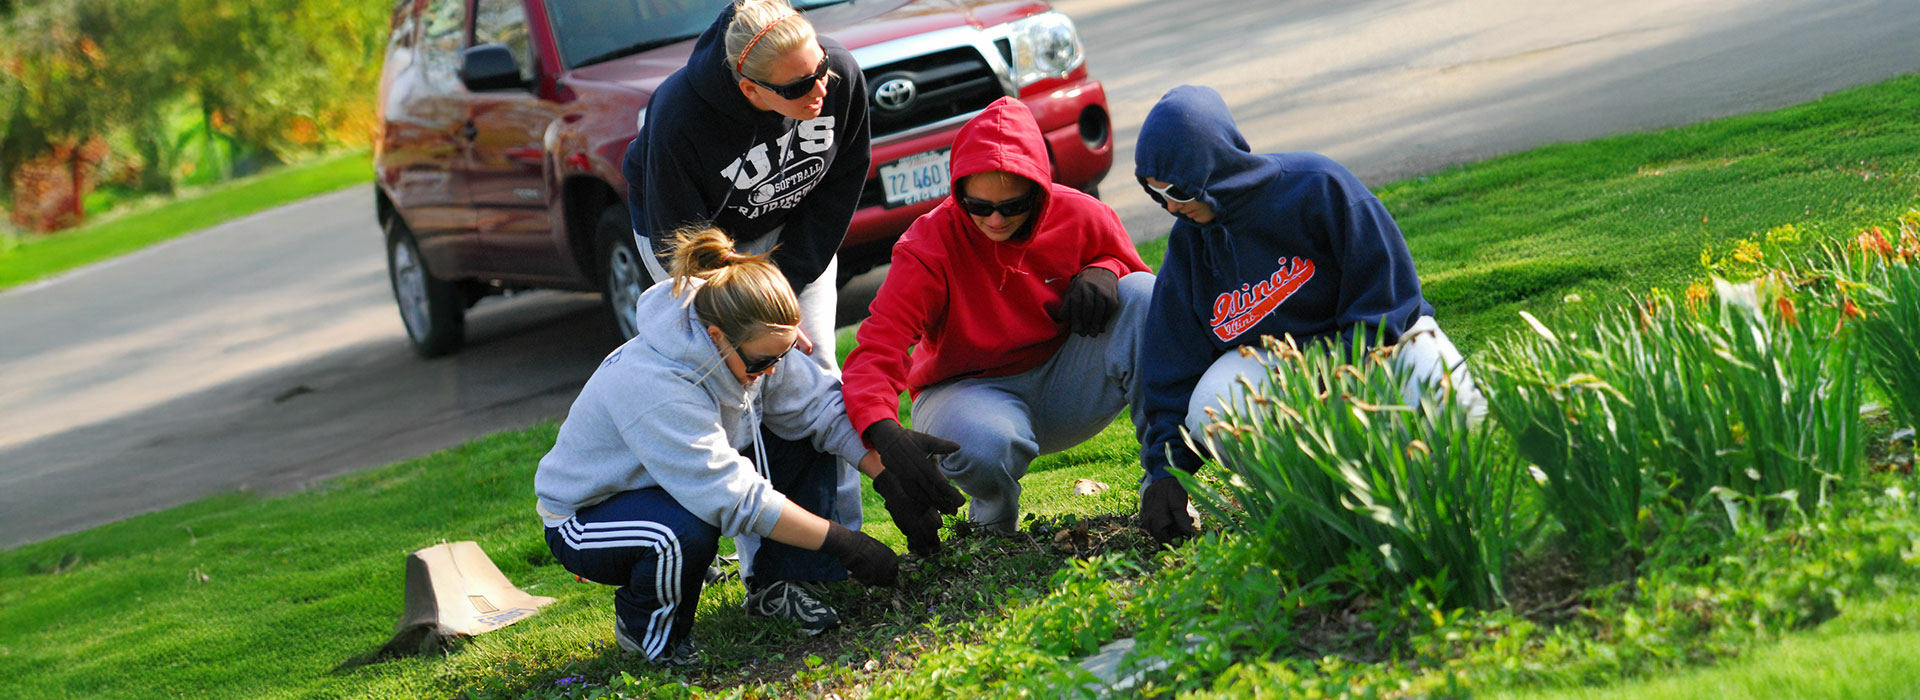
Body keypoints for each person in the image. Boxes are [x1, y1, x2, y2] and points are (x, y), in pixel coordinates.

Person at [1131, 85, 1483, 547]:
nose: (1172, 206)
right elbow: (1172, 366)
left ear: (1214, 164)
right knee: (1214, 404)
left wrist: (1342, 388)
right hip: (1284, 364)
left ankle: (1430, 496)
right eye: (1156, 195)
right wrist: (1166, 471)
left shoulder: (1317, 185)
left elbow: (1388, 295)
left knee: (1467, 429)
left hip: (1384, 340)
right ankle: (1314, 511)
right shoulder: (1190, 246)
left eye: (1177, 189)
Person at [534, 226, 902, 665]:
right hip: (587, 516)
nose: (772, 371)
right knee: (679, 533)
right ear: (715, 336)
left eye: (781, 357)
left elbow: (820, 409)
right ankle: (647, 632)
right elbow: (730, 498)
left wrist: (888, 475)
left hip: (668, 487)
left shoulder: (754, 340)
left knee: (799, 432)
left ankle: (782, 585)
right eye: (763, 362)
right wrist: (843, 542)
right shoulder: (656, 384)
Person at [620, 0, 873, 589]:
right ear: (749, 89)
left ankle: (842, 550)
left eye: (821, 73)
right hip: (697, 246)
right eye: (799, 86)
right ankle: (769, 572)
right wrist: (752, 313)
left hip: (792, 229)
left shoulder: (841, 76)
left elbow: (840, 185)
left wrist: (785, 288)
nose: (819, 90)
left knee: (814, 371)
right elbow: (678, 241)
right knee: (741, 392)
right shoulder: (681, 114)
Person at [842, 97, 1154, 539]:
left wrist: (1108, 267)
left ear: (1039, 191)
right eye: (978, 205)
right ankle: (992, 524)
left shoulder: (1083, 213)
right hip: (968, 394)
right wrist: (884, 432)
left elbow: (1147, 305)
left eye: (1012, 207)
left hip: (1065, 381)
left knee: (1145, 296)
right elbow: (878, 349)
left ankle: (1164, 478)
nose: (994, 219)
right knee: (985, 446)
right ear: (958, 191)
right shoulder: (927, 245)